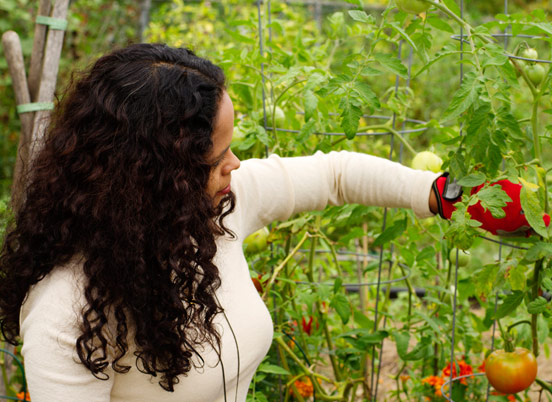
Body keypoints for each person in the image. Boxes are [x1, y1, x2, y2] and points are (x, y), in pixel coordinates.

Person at [0, 43, 539, 402]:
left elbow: (336, 174)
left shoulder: (215, 207)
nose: (236, 166)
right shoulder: (66, 313)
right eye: (217, 157)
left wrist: (448, 196)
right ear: (152, 179)